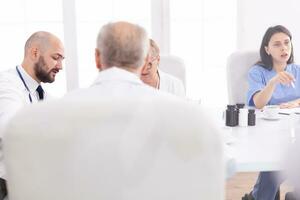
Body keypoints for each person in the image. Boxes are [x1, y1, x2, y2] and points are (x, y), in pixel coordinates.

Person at [0, 31, 65, 200]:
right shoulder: (7, 84)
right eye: (56, 57)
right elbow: (10, 129)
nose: (60, 66)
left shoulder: (41, 95)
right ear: (34, 53)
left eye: (61, 60)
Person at [244, 25, 300, 200]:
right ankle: (260, 196)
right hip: (269, 133)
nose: (284, 48)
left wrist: (296, 102)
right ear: (267, 49)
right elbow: (259, 103)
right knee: (274, 169)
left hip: (295, 130)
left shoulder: (297, 70)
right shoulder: (257, 72)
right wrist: (273, 81)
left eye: (286, 43)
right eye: (277, 44)